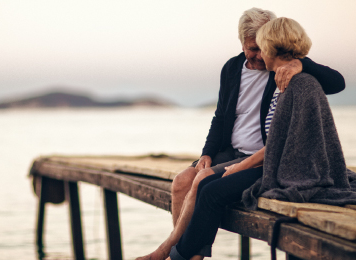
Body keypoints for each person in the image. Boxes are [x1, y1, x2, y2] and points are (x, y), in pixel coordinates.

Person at [136, 8, 345, 260]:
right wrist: (208, 152)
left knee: (204, 182)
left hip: (259, 156)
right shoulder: (232, 68)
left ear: (272, 43)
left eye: (262, 47)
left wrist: (300, 63)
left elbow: (336, 83)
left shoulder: (285, 71)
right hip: (231, 151)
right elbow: (221, 116)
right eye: (251, 48)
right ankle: (188, 253)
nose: (258, 55)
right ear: (241, 44)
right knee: (182, 181)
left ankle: (169, 252)